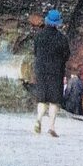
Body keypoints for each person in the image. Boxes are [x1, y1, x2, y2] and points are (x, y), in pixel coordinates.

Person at [33, 9, 70, 137]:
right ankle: (51, 127)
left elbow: (35, 52)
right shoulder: (62, 39)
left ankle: (38, 119)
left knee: (42, 99)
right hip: (56, 72)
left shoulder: (39, 36)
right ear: (58, 23)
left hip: (41, 70)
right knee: (54, 101)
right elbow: (66, 56)